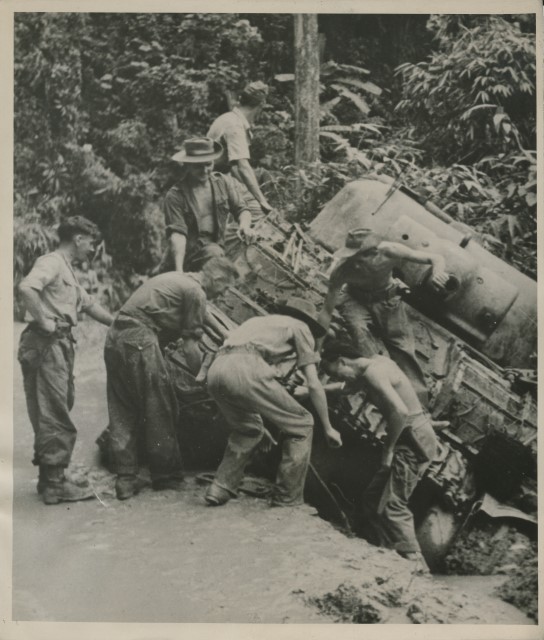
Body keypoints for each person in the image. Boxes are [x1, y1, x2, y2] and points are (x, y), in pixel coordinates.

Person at [104, 256, 239, 500]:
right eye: (226, 287)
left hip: (115, 338)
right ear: (217, 278)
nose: (225, 293)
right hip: (140, 340)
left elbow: (201, 312)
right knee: (159, 405)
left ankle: (125, 479)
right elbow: (190, 348)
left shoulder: (181, 280)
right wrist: (204, 379)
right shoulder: (196, 291)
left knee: (122, 408)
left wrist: (225, 334)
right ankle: (166, 476)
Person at [204, 298, 343, 508]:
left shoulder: (258, 322)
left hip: (217, 369)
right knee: (303, 424)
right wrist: (328, 427)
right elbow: (314, 384)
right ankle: (287, 498)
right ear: (307, 320)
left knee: (249, 429)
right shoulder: (301, 327)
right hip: (247, 367)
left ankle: (220, 487)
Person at [18, 216, 114, 505]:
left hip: (57, 344)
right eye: (91, 243)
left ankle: (51, 477)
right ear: (78, 239)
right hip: (46, 343)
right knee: (53, 411)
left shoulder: (66, 269)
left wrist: (118, 323)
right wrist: (44, 320)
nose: (93, 249)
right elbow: (27, 288)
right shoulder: (52, 262)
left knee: (54, 407)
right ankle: (55, 485)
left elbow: (88, 304)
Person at [321, 341, 439, 570]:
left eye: (333, 372)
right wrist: (311, 390)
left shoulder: (374, 373)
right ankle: (384, 552)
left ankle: (418, 567)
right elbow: (346, 387)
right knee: (373, 498)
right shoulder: (374, 364)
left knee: (394, 505)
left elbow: (400, 412)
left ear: (342, 361)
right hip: (412, 436)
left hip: (414, 441)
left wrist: (388, 449)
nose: (335, 377)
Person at [317, 228, 449, 406]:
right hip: (354, 299)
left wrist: (438, 272)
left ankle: (419, 407)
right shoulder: (343, 271)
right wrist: (317, 348)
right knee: (359, 331)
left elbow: (436, 258)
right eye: (351, 258)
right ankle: (378, 387)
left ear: (374, 252)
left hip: (387, 300)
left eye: (360, 259)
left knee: (404, 349)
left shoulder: (390, 251)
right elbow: (327, 310)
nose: (355, 264)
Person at [158, 137, 255, 275]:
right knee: (215, 254)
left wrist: (245, 226)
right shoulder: (175, 196)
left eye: (208, 164)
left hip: (216, 247)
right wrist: (179, 271)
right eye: (198, 166)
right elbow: (177, 235)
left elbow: (242, 209)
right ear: (187, 165)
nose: (204, 170)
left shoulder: (223, 182)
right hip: (187, 256)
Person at [207, 81, 272, 214]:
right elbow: (243, 167)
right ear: (261, 104)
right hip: (210, 182)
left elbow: (233, 165)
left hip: (216, 178)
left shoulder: (230, 118)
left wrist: (250, 191)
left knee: (251, 201)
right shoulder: (234, 125)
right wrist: (262, 201)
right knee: (257, 212)